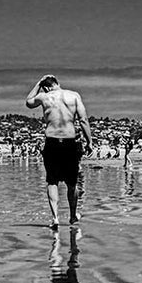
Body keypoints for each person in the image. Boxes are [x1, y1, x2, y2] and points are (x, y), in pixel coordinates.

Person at [25, 74, 93, 229]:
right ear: (57, 83)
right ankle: (72, 215)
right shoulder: (74, 96)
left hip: (52, 142)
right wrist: (89, 141)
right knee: (72, 183)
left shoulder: (44, 96)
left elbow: (28, 102)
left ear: (46, 87)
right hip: (70, 142)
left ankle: (55, 218)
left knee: (52, 181)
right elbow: (83, 120)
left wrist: (38, 83)